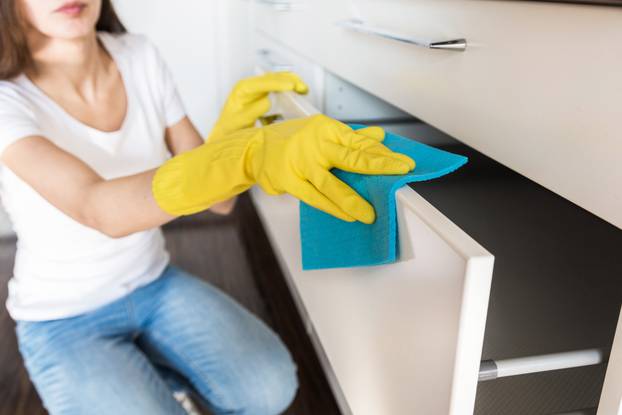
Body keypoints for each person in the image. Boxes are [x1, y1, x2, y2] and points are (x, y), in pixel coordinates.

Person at [0, 0, 415, 414]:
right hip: (62, 318)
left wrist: (227, 140)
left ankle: (147, 378)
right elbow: (98, 208)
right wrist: (242, 157)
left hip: (152, 283)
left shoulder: (137, 55)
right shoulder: (7, 100)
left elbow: (220, 201)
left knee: (268, 388)